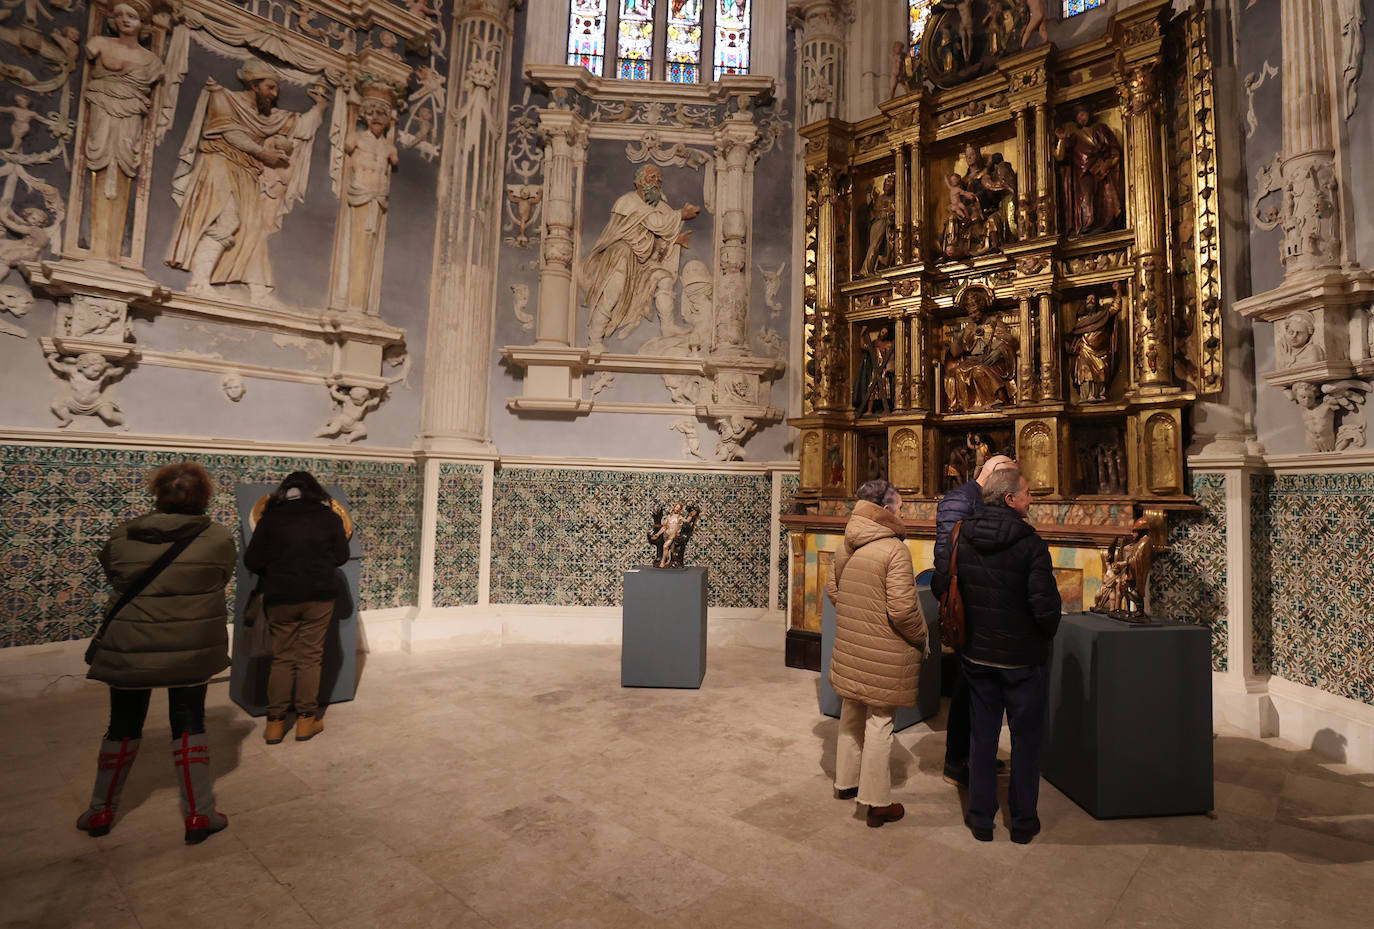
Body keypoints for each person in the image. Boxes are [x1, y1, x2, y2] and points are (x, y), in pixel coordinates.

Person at [78, 460, 237, 844]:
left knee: (122, 724)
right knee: (189, 722)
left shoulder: (122, 536)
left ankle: (100, 811)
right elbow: (221, 578)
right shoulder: (218, 538)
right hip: (191, 646)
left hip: (130, 645)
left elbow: (114, 576)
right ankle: (199, 815)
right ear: (204, 496)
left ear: (157, 494)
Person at [935, 468, 1061, 844]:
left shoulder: (963, 536)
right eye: (1026, 493)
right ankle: (1023, 823)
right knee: (1025, 741)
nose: (1031, 499)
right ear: (1009, 499)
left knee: (982, 737)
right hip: (1021, 661)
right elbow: (1045, 609)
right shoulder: (1031, 544)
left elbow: (945, 585)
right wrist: (1043, 634)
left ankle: (980, 820)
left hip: (977, 656)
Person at [825, 479, 928, 828]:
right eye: (899, 506)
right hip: (885, 647)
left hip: (853, 642)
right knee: (881, 719)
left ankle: (845, 782)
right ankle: (876, 800)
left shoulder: (848, 542)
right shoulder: (893, 549)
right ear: (885, 508)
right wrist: (920, 636)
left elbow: (833, 591)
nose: (902, 512)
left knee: (852, 707)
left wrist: (859, 615)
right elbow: (902, 610)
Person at [244, 471, 350, 743]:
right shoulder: (329, 518)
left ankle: (275, 724)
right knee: (310, 657)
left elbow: (252, 561)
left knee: (282, 658)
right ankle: (306, 721)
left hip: (280, 596)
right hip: (319, 596)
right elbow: (341, 556)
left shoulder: (270, 519)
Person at [932, 453, 1017, 788]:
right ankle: (956, 760)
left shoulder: (982, 499)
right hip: (965, 600)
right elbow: (946, 555)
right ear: (994, 473)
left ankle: (976, 752)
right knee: (967, 685)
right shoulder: (959, 499)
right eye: (1008, 478)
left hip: (980, 599)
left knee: (980, 685)